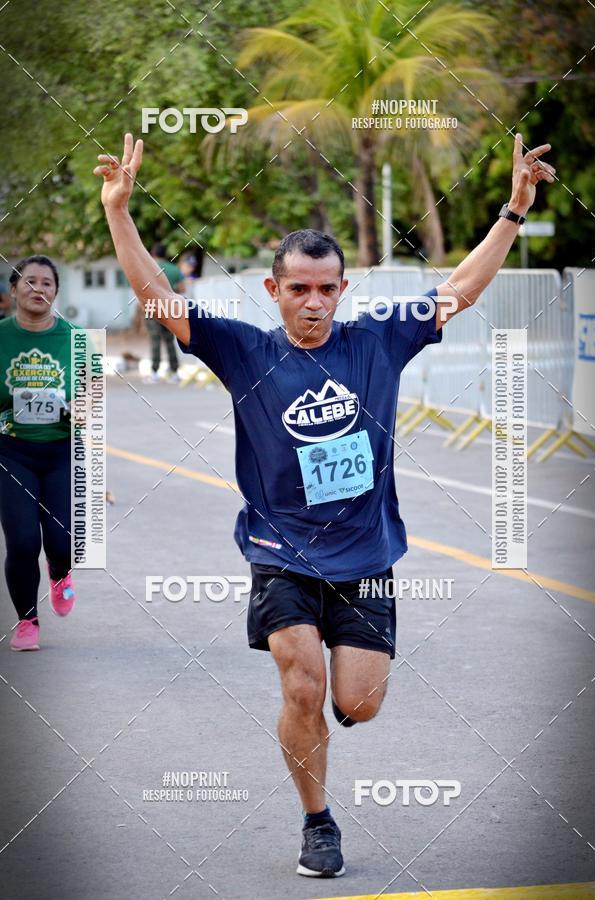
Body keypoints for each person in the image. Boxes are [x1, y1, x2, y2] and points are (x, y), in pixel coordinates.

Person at [94, 132, 554, 877]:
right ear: (273, 291)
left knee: (360, 702)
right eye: (299, 287)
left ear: (343, 290)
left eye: (327, 287)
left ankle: (333, 709)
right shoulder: (243, 348)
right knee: (301, 684)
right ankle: (318, 822)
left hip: (366, 555)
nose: (313, 300)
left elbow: (460, 291)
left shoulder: (378, 342)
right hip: (279, 553)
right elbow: (157, 296)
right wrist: (120, 210)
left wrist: (511, 211)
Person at [0, 256, 77, 651]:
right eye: (29, 282)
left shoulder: (76, 339)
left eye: (47, 283)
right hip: (11, 453)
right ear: (13, 290)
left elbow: (95, 397)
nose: (38, 289)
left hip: (62, 452)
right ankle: (27, 621)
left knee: (61, 542)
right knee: (23, 541)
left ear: (55, 292)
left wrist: (76, 407)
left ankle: (60, 571)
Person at [145, 242, 185, 382]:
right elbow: (182, 289)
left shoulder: (147, 269)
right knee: (170, 340)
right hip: (170, 308)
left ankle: (154, 372)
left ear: (153, 254)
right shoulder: (174, 269)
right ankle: (174, 372)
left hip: (152, 307)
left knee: (155, 341)